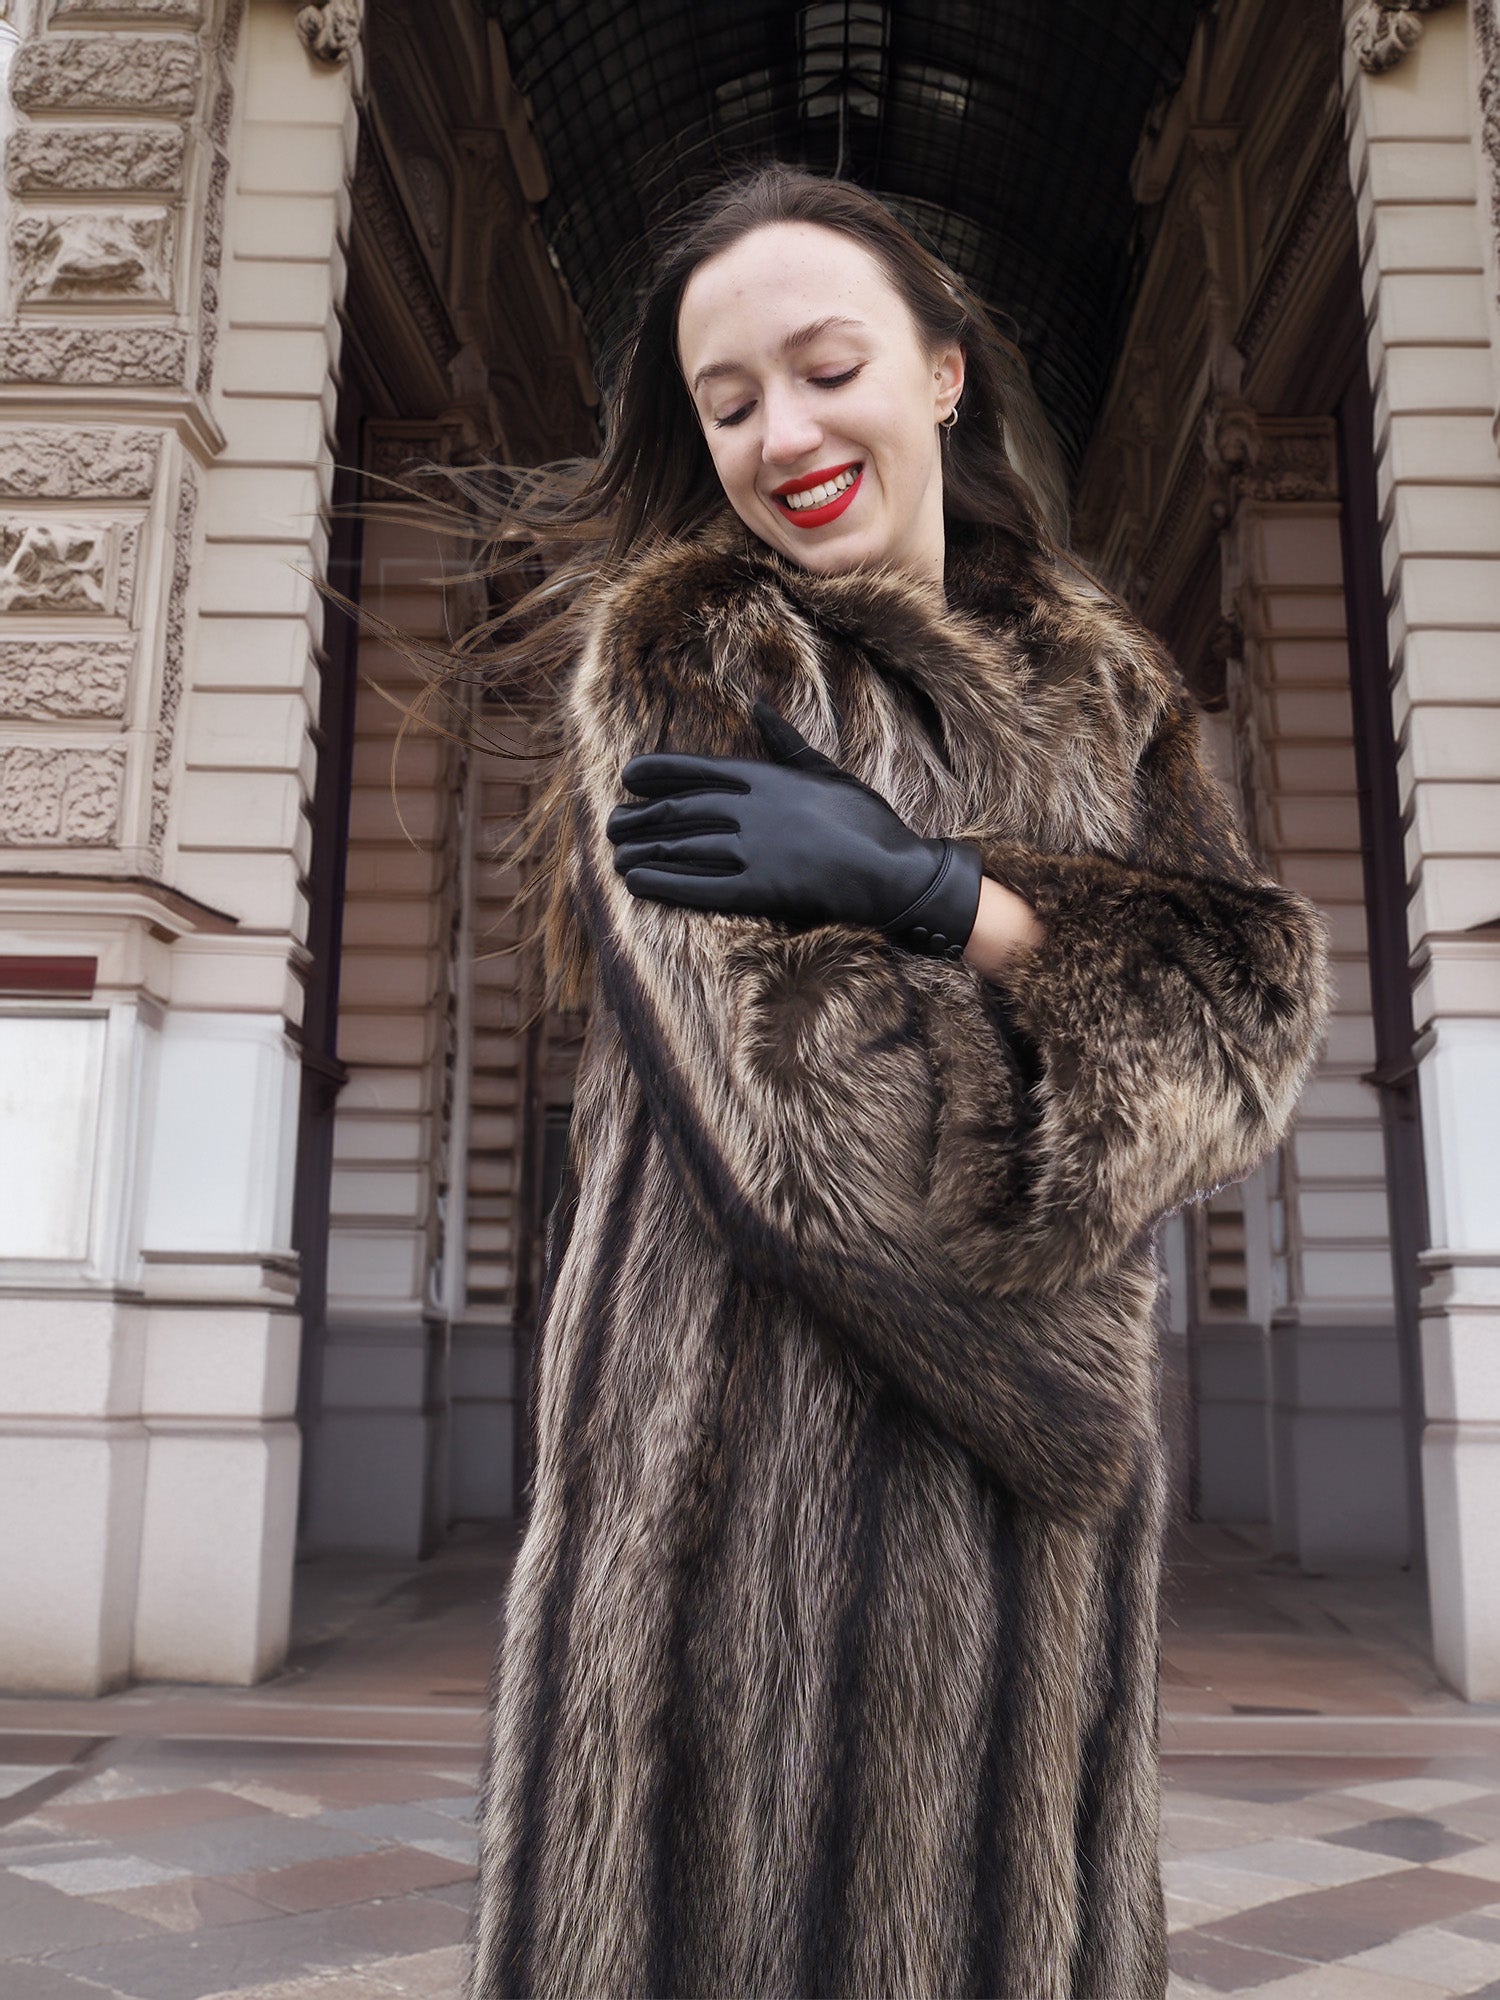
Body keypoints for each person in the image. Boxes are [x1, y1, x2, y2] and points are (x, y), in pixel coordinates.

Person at [463, 165, 1330, 2000]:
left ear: (942, 373)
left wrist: (944, 899)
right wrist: (1079, 1397)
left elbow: (1247, 1020)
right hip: (729, 1574)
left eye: (827, 368)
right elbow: (822, 1165)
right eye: (726, 404)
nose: (781, 436)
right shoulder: (697, 667)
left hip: (1038, 1624)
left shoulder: (1111, 695)